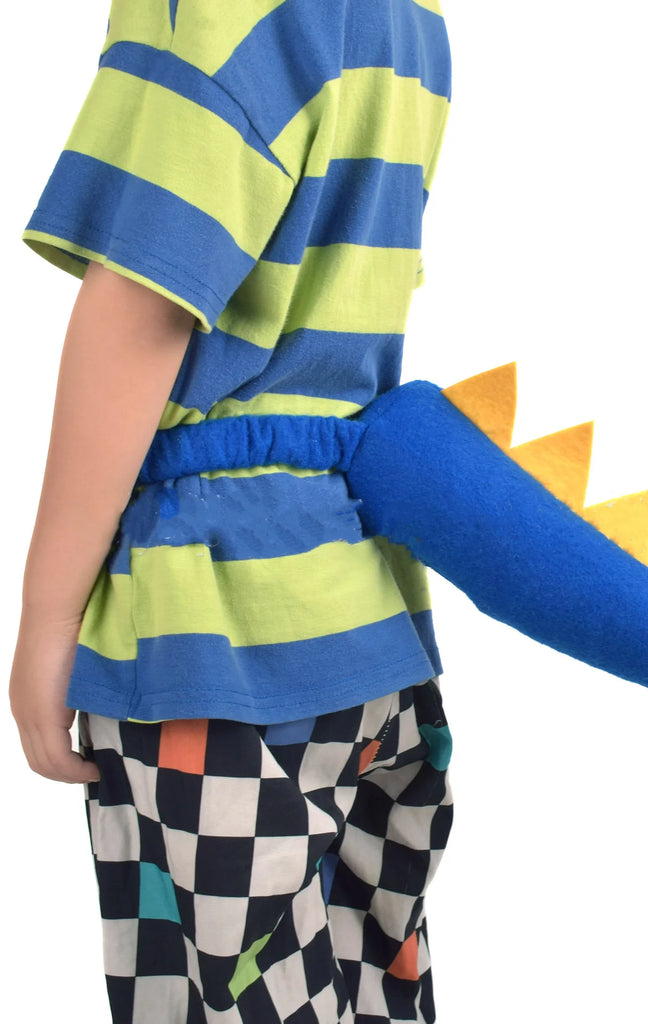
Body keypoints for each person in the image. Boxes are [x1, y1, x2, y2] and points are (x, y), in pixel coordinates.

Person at [8, 2, 454, 1022]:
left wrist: (46, 613)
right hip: (368, 621)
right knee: (372, 985)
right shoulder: (412, 18)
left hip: (210, 640)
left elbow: (145, 304)